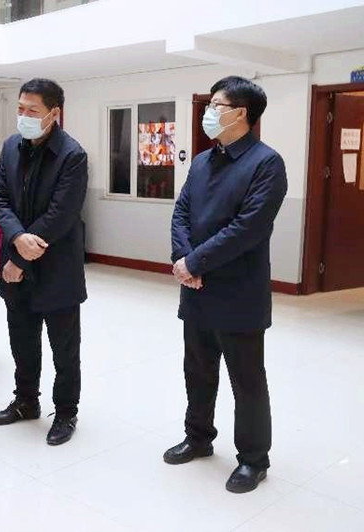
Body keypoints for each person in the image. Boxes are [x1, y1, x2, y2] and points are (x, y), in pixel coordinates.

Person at [166, 76, 287, 494]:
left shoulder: (266, 164)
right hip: (196, 289)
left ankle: (253, 459)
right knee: (197, 370)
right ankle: (198, 437)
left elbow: (247, 229)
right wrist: (183, 260)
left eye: (217, 106)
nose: (209, 113)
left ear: (241, 114)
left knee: (246, 380)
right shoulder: (203, 161)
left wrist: (195, 262)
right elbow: (181, 212)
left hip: (238, 292)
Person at [0, 78, 88, 446]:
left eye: (32, 110)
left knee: (64, 350)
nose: (24, 116)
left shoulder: (72, 155)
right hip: (17, 269)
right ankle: (26, 401)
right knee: (22, 341)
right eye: (20, 108)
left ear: (53, 113)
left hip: (57, 269)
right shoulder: (10, 147)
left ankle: (65, 412)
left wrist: (18, 258)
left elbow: (60, 216)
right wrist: (17, 238)